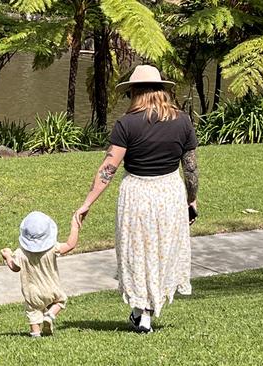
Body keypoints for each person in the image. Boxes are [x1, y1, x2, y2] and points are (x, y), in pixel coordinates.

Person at [74, 65, 199, 333]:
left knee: (137, 253)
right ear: (162, 90)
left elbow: (108, 168)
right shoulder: (183, 121)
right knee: (162, 252)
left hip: (137, 194)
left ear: (134, 92)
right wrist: (192, 200)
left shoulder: (126, 124)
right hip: (169, 193)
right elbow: (190, 168)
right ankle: (145, 312)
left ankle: (142, 313)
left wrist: (87, 203)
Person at [0, 211, 81, 337]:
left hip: (32, 293)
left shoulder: (20, 253)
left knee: (33, 311)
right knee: (60, 300)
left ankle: (35, 333)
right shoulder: (52, 249)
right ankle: (50, 315)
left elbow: (15, 268)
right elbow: (70, 245)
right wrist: (75, 227)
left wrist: (8, 256)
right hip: (51, 289)